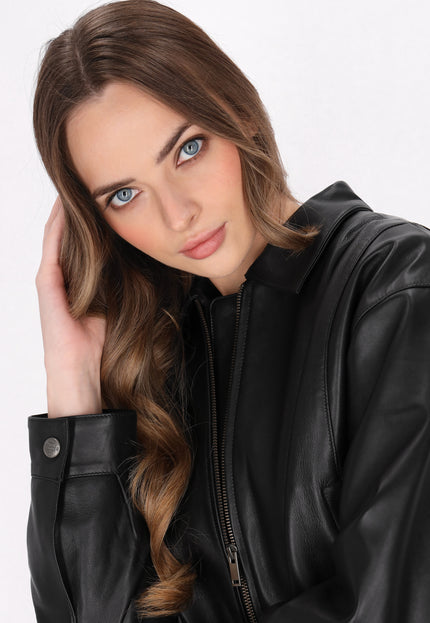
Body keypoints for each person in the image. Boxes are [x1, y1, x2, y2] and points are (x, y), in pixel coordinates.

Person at [27, 0, 430, 621]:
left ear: (237, 112)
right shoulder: (155, 364)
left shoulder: (395, 286)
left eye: (187, 149)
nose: (177, 215)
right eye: (125, 194)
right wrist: (74, 395)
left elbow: (388, 603)